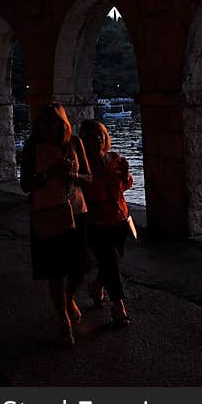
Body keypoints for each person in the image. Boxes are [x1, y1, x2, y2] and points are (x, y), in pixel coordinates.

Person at [20, 103, 92, 347]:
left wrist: (72, 175)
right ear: (38, 125)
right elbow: (25, 184)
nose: (48, 127)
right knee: (55, 270)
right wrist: (51, 172)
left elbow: (88, 177)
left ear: (63, 124)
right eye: (44, 122)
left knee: (80, 267)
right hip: (47, 213)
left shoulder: (75, 143)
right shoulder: (32, 148)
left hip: (76, 211)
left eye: (53, 122)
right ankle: (64, 320)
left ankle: (68, 298)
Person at [79, 119, 133, 327]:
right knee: (110, 260)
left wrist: (126, 176)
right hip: (95, 222)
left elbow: (124, 187)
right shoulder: (82, 166)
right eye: (93, 135)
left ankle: (98, 284)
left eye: (101, 134)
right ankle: (118, 306)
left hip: (119, 219)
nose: (99, 138)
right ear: (84, 139)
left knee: (112, 260)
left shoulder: (115, 159)